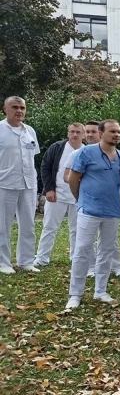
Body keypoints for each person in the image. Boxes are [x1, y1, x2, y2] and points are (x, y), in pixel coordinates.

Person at [65, 120, 120, 309]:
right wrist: (81, 200)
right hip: (89, 210)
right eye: (112, 131)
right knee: (82, 249)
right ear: (101, 133)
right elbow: (73, 179)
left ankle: (100, 291)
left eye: (118, 132)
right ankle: (75, 294)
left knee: (106, 251)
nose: (116, 135)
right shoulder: (86, 153)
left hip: (112, 210)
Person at [34, 123, 85, 267]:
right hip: (57, 195)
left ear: (84, 134)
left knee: (77, 230)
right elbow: (45, 167)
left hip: (78, 197)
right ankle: (42, 258)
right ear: (67, 133)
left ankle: (75, 258)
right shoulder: (57, 147)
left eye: (78, 132)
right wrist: (49, 189)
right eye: (72, 131)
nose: (75, 135)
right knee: (49, 227)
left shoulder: (87, 150)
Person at [0, 96, 41, 274]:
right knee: (3, 226)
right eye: (15, 107)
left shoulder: (29, 131)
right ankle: (3, 263)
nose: (19, 111)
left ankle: (26, 261)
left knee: (28, 225)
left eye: (22, 108)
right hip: (5, 183)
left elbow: (33, 155)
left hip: (28, 184)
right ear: (5, 109)